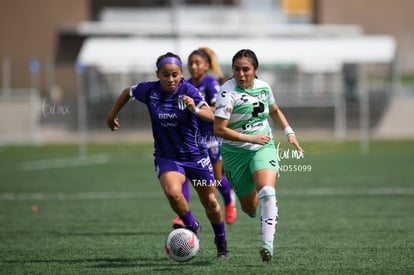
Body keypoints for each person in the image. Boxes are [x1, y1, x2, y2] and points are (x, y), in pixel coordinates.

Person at [106, 52, 230, 258]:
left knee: (211, 202)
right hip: (168, 157)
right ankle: (192, 226)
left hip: (196, 158)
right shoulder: (149, 91)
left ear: (181, 74)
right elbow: (127, 92)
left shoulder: (189, 90)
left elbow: (211, 114)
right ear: (158, 74)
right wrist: (112, 115)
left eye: (175, 74)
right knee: (173, 193)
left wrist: (195, 109)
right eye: (165, 74)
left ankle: (221, 242)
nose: (170, 79)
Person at [213, 49, 304, 263]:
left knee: (267, 190)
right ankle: (251, 195)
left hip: (263, 147)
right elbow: (219, 129)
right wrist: (249, 138)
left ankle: (267, 245)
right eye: (237, 69)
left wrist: (289, 132)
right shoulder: (227, 93)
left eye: (246, 69)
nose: (241, 74)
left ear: (255, 70)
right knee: (250, 208)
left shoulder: (264, 87)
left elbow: (274, 111)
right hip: (234, 154)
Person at [171, 47, 237, 229]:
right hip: (192, 138)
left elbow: (218, 111)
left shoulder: (211, 84)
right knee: (183, 176)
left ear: (206, 66)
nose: (193, 66)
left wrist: (198, 109)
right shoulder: (185, 85)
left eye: (197, 63)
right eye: (191, 63)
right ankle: (182, 215)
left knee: (215, 178)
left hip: (211, 136)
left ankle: (229, 199)